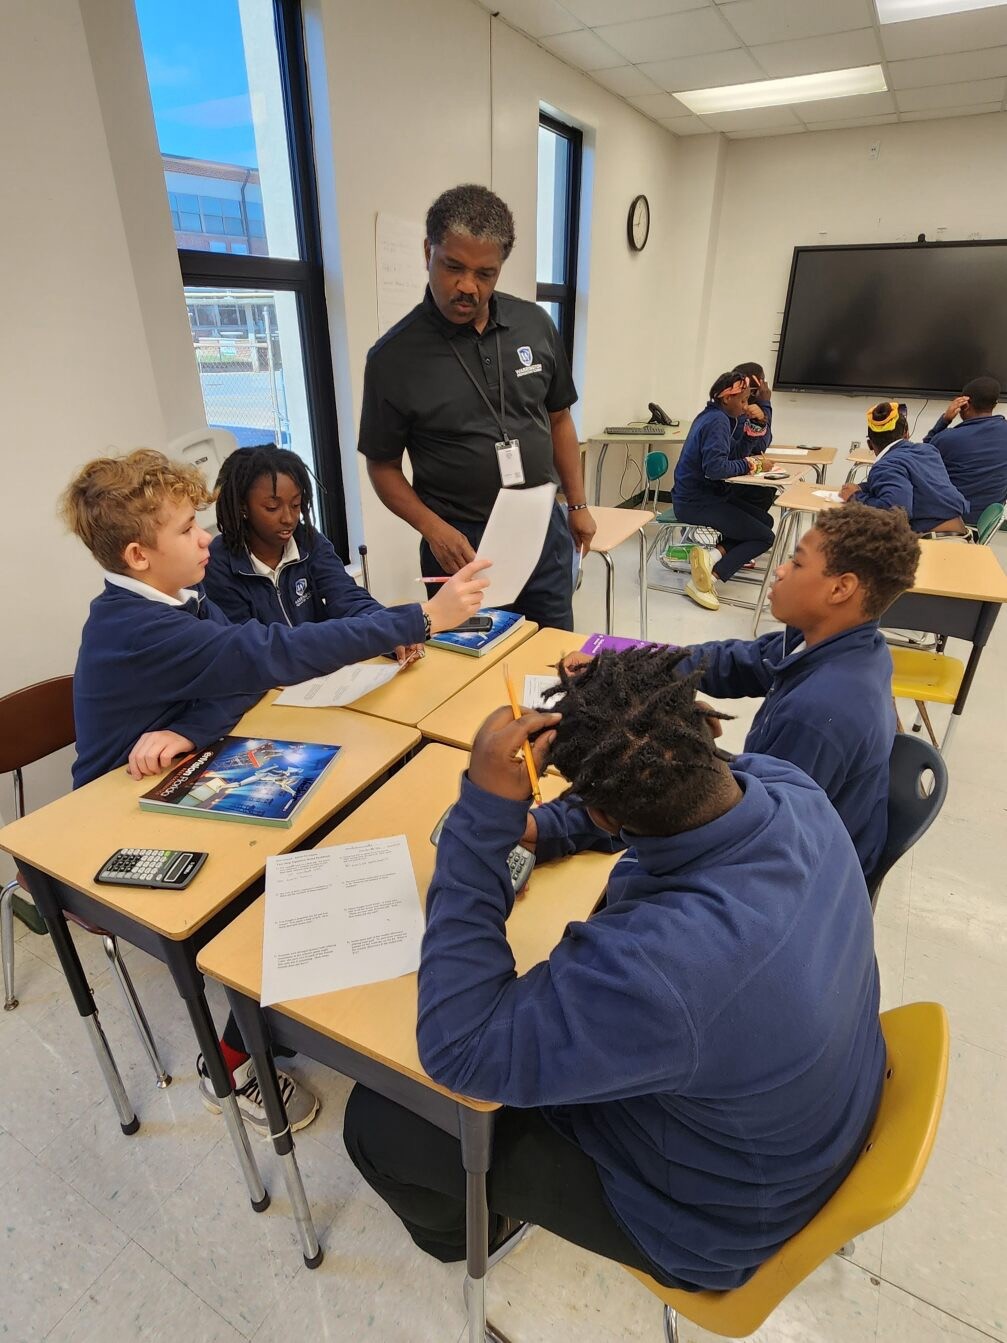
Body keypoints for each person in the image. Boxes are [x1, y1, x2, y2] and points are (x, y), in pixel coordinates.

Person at [342, 650, 884, 1293]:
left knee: (385, 1121)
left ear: (605, 813)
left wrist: (482, 821)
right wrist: (546, 830)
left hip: (718, 1222)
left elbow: (459, 1048)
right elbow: (668, 796)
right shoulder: (793, 789)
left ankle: (472, 1234)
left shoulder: (664, 970)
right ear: (709, 729)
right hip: (803, 1124)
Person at [60, 449, 488, 1133]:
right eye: (185, 530)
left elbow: (239, 676)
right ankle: (229, 1059)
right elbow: (265, 657)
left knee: (330, 813)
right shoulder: (136, 624)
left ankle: (292, 1004)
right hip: (118, 820)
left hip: (174, 776)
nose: (204, 538)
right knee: (275, 891)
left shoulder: (178, 598)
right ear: (140, 554)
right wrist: (420, 616)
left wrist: (187, 725)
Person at [357, 183, 595, 632]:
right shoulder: (393, 358)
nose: (468, 287)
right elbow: (382, 467)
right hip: (460, 546)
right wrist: (432, 528)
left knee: (554, 659)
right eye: (453, 267)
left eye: (485, 274)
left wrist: (577, 504)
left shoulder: (535, 325)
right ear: (428, 250)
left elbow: (560, 418)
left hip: (542, 532)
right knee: (473, 670)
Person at [673, 504, 919, 875]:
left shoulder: (816, 713)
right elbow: (736, 662)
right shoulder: (838, 641)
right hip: (791, 822)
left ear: (841, 588)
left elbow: (755, 833)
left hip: (802, 872)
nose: (780, 570)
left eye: (798, 564)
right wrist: (641, 665)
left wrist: (687, 747)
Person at [204, 444, 420, 663]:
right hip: (269, 686)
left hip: (322, 674)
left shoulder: (308, 540)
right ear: (243, 507)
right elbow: (248, 648)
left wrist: (390, 630)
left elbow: (347, 597)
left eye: (296, 505)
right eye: (272, 507)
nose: (288, 518)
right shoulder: (218, 564)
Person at [672, 372, 777, 611]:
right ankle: (707, 580)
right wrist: (755, 465)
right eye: (741, 401)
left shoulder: (715, 416)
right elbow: (716, 468)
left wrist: (756, 426)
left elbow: (733, 454)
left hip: (705, 496)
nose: (745, 406)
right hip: (696, 502)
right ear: (726, 399)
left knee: (765, 519)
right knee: (764, 537)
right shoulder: (717, 421)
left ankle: (711, 556)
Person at [839, 402, 969, 533]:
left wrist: (855, 497)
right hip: (961, 534)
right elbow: (906, 479)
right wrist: (863, 487)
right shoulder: (928, 450)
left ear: (870, 444)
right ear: (907, 434)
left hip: (933, 543)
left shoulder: (886, 466)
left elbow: (896, 514)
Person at [922, 375, 1007, 525]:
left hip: (950, 523)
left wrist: (944, 420)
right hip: (984, 523)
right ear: (994, 404)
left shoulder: (948, 439)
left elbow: (921, 457)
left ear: (965, 404)